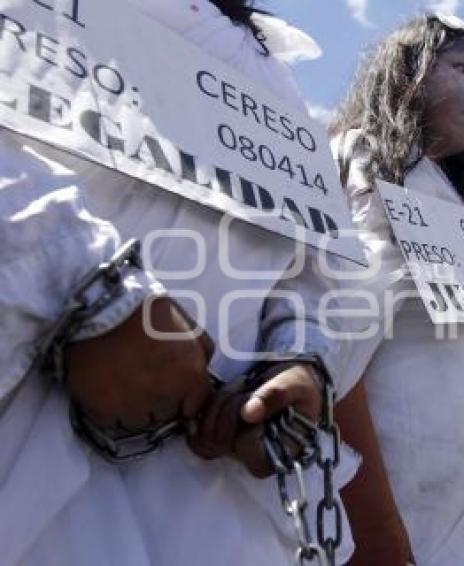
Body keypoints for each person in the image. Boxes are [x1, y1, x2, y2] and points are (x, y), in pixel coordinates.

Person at [0, 1, 358, 564]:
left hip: (221, 504)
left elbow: (306, 273)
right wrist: (91, 290)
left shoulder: (275, 79)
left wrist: (297, 357)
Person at [326, 14, 464, 565]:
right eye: (461, 69)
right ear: (407, 74)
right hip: (409, 495)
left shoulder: (463, 205)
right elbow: (336, 342)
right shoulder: (364, 154)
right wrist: (376, 531)